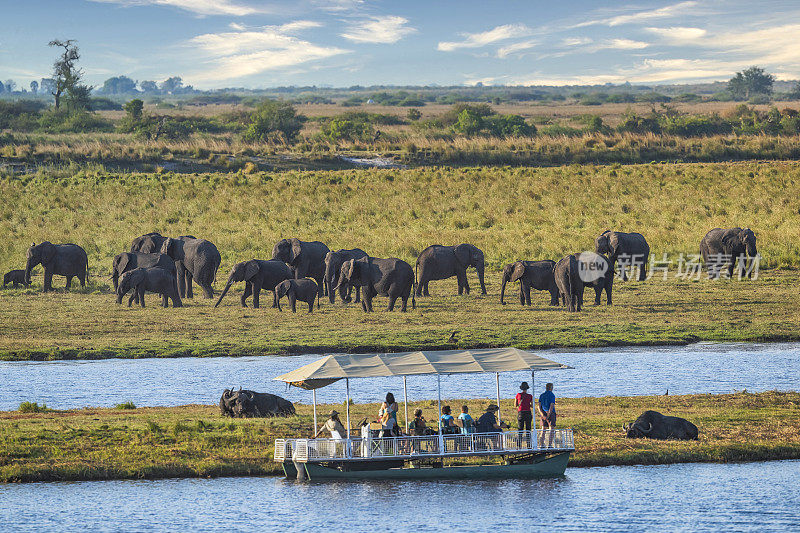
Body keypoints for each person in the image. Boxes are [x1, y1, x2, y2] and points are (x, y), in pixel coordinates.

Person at [537, 382, 557, 448]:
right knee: (551, 429)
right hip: (550, 413)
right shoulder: (552, 395)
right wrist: (548, 414)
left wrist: (542, 414)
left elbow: (539, 406)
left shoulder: (542, 395)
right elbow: (551, 405)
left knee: (543, 429)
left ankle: (541, 444)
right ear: (551, 388)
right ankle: (550, 445)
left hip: (543, 413)